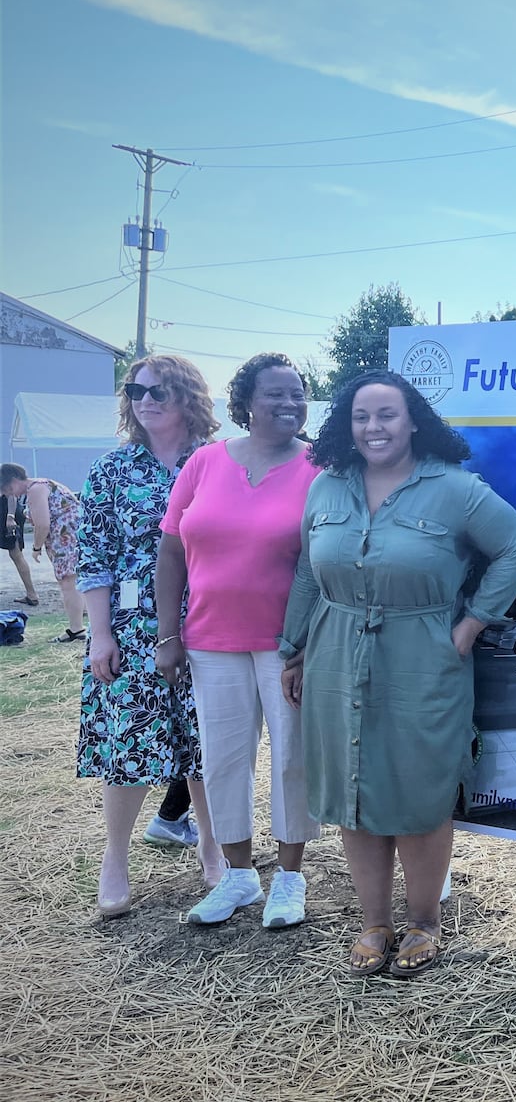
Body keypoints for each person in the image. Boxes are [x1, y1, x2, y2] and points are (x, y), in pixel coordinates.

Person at [280, 371, 516, 976]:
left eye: (387, 414)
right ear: (347, 424)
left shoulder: (455, 489)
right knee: (353, 789)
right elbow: (310, 575)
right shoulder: (326, 488)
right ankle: (373, 923)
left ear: (413, 419)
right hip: (335, 649)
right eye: (361, 416)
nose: (374, 427)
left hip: (423, 652)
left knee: (420, 792)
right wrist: (294, 649)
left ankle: (424, 923)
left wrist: (472, 624)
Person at [157, 353, 322, 928]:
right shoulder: (203, 463)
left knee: (292, 758)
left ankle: (290, 880)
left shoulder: (319, 467)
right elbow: (172, 550)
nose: (289, 404)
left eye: (298, 394)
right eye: (276, 394)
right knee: (224, 759)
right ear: (246, 402)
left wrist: (306, 641)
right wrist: (167, 635)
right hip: (209, 640)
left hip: (288, 646)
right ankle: (238, 877)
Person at [71, 356, 224, 916]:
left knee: (206, 739)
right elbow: (93, 556)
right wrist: (100, 634)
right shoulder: (111, 471)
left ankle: (213, 848)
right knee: (129, 742)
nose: (145, 399)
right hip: (132, 628)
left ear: (188, 396)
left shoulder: (217, 462)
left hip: (208, 617)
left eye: (159, 390)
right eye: (136, 390)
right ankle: (115, 860)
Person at [0, 464, 86, 641]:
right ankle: (78, 625)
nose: (8, 494)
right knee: (72, 581)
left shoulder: (36, 489)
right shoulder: (40, 486)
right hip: (67, 538)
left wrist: (36, 547)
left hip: (66, 539)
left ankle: (76, 629)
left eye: (7, 489)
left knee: (67, 582)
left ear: (14, 481)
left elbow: (42, 524)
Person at [2, 489, 40, 606]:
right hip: (8, 511)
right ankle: (31, 594)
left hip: (6, 511)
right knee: (15, 554)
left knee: (16, 553)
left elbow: (11, 492)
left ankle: (32, 595)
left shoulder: (4, 474)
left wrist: (10, 516)